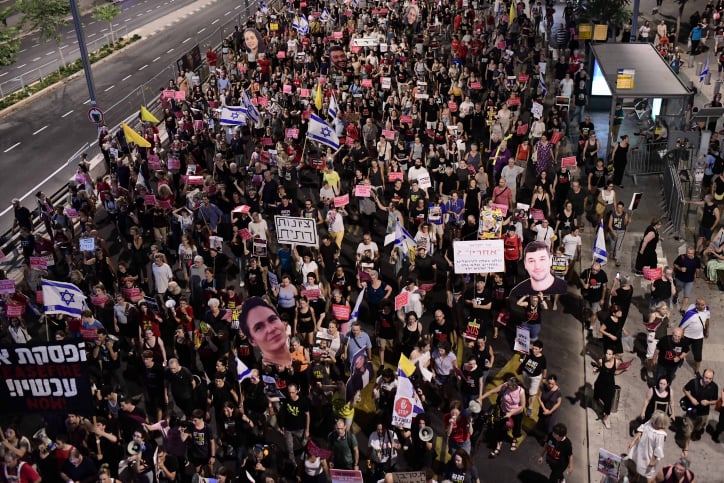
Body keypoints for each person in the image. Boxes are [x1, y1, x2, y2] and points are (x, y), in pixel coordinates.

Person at [238, 296, 292, 368]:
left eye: (272, 319)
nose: (270, 329)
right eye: (259, 328)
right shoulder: (261, 364)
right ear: (252, 340)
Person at [483, 377, 526, 457]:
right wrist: (480, 398)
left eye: (509, 385)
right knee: (501, 428)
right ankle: (498, 447)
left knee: (516, 428)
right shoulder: (505, 386)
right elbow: (492, 391)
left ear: (514, 386)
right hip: (504, 411)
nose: (506, 385)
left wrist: (511, 413)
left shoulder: (521, 391)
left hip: (516, 413)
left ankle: (514, 440)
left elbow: (522, 406)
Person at [681, 369, 718, 457]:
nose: (707, 380)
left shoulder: (714, 387)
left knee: (699, 427)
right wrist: (691, 398)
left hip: (703, 413)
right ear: (702, 376)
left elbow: (716, 400)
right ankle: (686, 447)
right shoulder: (694, 382)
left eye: (710, 378)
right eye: (706, 377)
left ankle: (696, 433)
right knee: (688, 431)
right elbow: (685, 389)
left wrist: (708, 403)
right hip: (691, 410)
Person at [627, 411, 670, 482]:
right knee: (634, 466)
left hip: (648, 455)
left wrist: (653, 461)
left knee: (643, 473)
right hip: (639, 449)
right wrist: (633, 441)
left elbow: (658, 449)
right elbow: (642, 429)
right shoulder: (650, 423)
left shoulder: (660, 435)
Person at [593, 348, 625, 429]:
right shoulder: (601, 361)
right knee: (596, 397)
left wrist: (623, 371)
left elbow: (614, 373)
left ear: (613, 355)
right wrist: (595, 370)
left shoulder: (617, 362)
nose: (607, 355)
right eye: (607, 353)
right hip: (600, 383)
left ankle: (606, 418)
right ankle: (596, 405)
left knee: (608, 402)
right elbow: (599, 369)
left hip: (610, 385)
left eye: (610, 354)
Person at [678, 298, 710, 376]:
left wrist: (707, 330)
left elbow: (707, 321)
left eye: (703, 305)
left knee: (698, 354)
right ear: (696, 305)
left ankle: (697, 369)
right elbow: (683, 324)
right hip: (687, 336)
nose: (702, 306)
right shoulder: (690, 313)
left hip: (698, 337)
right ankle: (680, 360)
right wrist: (680, 333)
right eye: (700, 305)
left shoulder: (707, 310)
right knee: (681, 349)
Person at [580, 262, 608, 334]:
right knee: (586, 310)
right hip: (587, 296)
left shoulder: (603, 275)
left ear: (600, 269)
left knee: (594, 312)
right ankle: (586, 320)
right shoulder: (587, 272)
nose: (594, 271)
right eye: (593, 269)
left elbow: (604, 287)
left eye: (596, 270)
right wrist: (584, 284)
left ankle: (591, 326)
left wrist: (602, 298)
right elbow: (581, 278)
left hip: (596, 297)